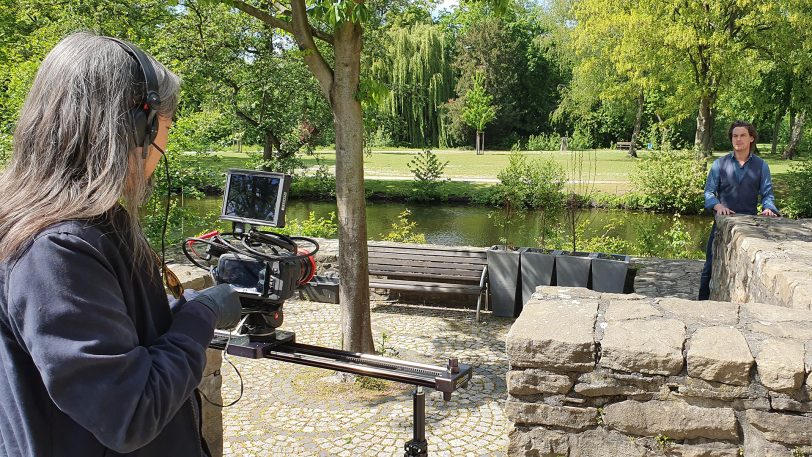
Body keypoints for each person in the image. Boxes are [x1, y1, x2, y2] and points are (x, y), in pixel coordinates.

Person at [0, 33, 241, 456]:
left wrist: (177, 314)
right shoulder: (54, 251)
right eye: (165, 127)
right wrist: (202, 315)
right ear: (136, 128)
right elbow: (130, 413)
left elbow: (107, 341)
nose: (163, 145)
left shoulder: (86, 224)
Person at [698, 120, 779, 300]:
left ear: (751, 138)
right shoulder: (719, 164)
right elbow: (709, 192)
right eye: (735, 136)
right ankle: (700, 304)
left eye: (742, 135)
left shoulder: (761, 166)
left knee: (745, 274)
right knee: (709, 268)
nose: (738, 139)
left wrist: (768, 208)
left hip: (749, 230)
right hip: (721, 226)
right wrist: (717, 205)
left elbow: (768, 194)